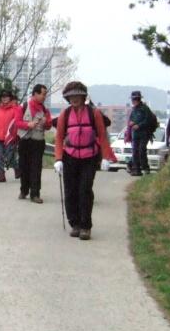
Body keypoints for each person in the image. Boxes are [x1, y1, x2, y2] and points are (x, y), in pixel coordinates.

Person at [53, 80, 117, 241]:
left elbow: (102, 135)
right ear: (68, 98)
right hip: (70, 157)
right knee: (70, 191)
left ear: (83, 97)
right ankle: (74, 223)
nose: (75, 99)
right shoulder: (65, 115)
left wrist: (105, 158)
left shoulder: (93, 113)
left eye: (78, 95)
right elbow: (59, 137)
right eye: (71, 96)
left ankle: (86, 226)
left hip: (89, 157)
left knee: (85, 191)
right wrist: (59, 158)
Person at [16, 83, 52, 203]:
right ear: (35, 94)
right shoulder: (23, 107)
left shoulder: (45, 110)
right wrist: (28, 125)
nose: (44, 96)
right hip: (25, 141)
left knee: (36, 168)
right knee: (24, 166)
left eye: (45, 94)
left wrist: (46, 122)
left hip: (38, 142)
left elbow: (48, 126)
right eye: (43, 94)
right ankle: (24, 190)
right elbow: (16, 122)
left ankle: (35, 194)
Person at [0, 88, 23, 182]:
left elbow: (16, 123)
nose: (4, 98)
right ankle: (1, 174)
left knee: (10, 157)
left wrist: (15, 135)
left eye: (6, 97)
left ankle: (17, 169)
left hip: (10, 137)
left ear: (10, 98)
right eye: (2, 97)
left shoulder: (15, 110)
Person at [127, 90, 158, 176]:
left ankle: (145, 168)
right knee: (135, 152)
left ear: (137, 99)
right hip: (135, 134)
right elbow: (131, 120)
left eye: (133, 99)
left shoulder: (145, 109)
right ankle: (136, 170)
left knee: (141, 151)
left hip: (144, 134)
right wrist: (131, 123)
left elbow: (148, 120)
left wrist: (139, 125)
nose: (132, 101)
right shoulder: (134, 110)